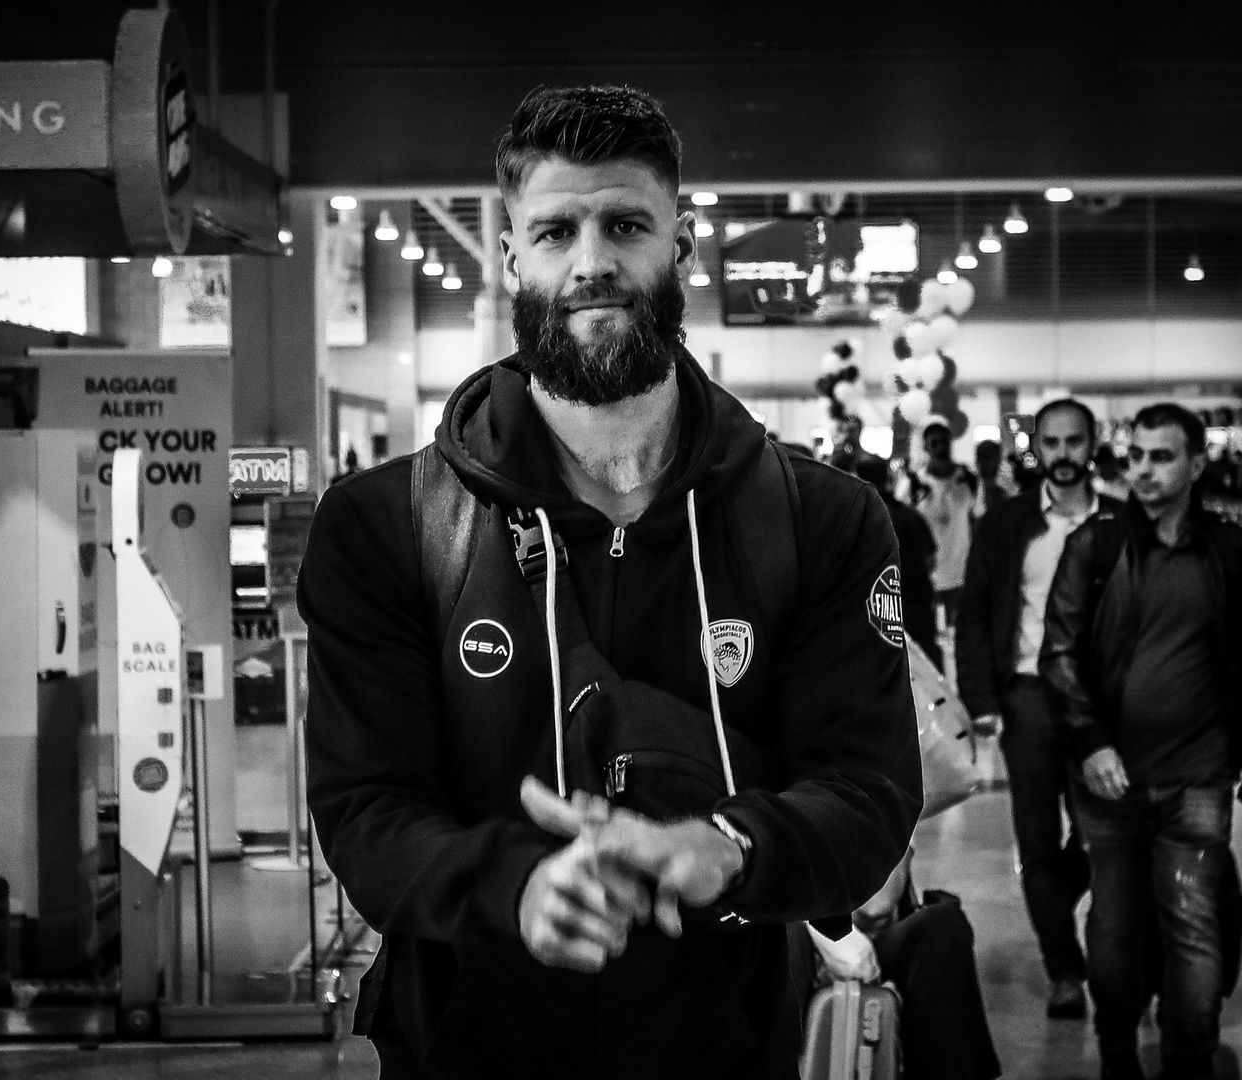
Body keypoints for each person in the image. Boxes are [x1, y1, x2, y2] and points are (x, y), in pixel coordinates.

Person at [301, 84, 921, 1080]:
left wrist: (732, 848)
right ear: (512, 258)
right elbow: (366, 805)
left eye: (626, 225)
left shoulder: (821, 518)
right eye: (556, 232)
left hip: (728, 1044)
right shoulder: (387, 525)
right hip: (468, 1042)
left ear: (682, 247)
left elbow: (870, 789)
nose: (592, 262)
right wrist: (516, 888)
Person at [1042, 403, 1242, 1080]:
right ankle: (1119, 1053)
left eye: (1161, 456)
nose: (1143, 470)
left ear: (1197, 465)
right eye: (1135, 456)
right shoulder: (1095, 546)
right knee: (1114, 929)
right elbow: (1058, 654)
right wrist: (1091, 741)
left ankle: (1190, 1063)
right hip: (1110, 779)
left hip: (1199, 776)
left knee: (1194, 926)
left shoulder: (1230, 551)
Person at [954, 398, 1112, 1020]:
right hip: (1028, 697)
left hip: (1102, 702)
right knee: (1037, 839)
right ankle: (1065, 971)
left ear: (1093, 444)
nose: (1063, 454)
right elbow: (974, 613)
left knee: (1103, 835)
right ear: (1037, 448)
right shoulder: (1007, 524)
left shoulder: (1122, 520)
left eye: (1074, 441)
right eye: (1052, 442)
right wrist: (982, 700)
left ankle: (1064, 904)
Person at [793, 849, 1002, 1080]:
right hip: (793, 937)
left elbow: (876, 906)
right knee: (783, 936)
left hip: (871, 946)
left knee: (942, 926)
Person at [849, 454, 939, 668]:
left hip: (879, 611)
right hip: (917, 603)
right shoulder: (911, 515)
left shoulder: (859, 519)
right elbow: (931, 560)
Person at [913, 420, 977, 641]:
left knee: (959, 637)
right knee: (929, 639)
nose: (941, 448)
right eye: (934, 443)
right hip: (926, 576)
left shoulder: (968, 480)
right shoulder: (914, 483)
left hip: (961, 574)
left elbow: (977, 522)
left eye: (944, 442)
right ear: (926, 447)